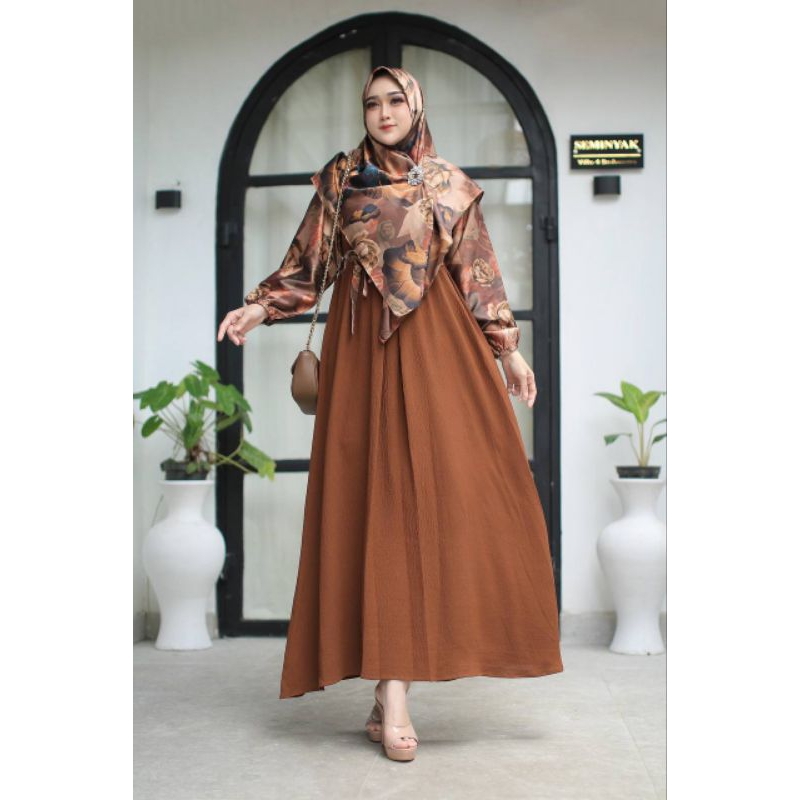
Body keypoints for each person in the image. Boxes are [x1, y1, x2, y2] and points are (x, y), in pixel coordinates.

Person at [217, 66, 563, 763]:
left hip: (439, 347)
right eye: (371, 102)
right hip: (361, 352)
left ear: (416, 107)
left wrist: (509, 352)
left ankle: (393, 687)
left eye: (395, 100)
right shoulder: (341, 179)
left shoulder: (447, 183)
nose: (382, 112)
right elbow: (308, 264)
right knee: (373, 504)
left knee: (444, 496)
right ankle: (392, 689)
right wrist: (259, 306)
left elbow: (478, 271)